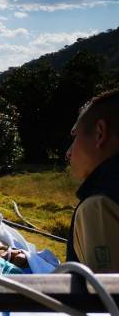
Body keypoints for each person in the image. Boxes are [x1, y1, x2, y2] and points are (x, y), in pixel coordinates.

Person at [65, 89, 119, 273]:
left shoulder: (99, 206)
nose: (68, 153)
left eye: (75, 137)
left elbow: (103, 289)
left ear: (99, 134)